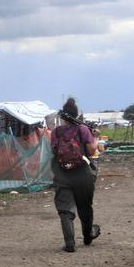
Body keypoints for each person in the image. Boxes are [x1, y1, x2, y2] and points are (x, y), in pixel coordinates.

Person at [50, 98, 100, 253]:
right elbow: (92, 151)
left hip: (62, 174)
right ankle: (87, 236)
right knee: (85, 207)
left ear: (63, 116)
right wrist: (95, 137)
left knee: (65, 209)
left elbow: (54, 151)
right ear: (76, 114)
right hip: (83, 174)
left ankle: (70, 242)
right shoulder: (83, 129)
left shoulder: (55, 132)